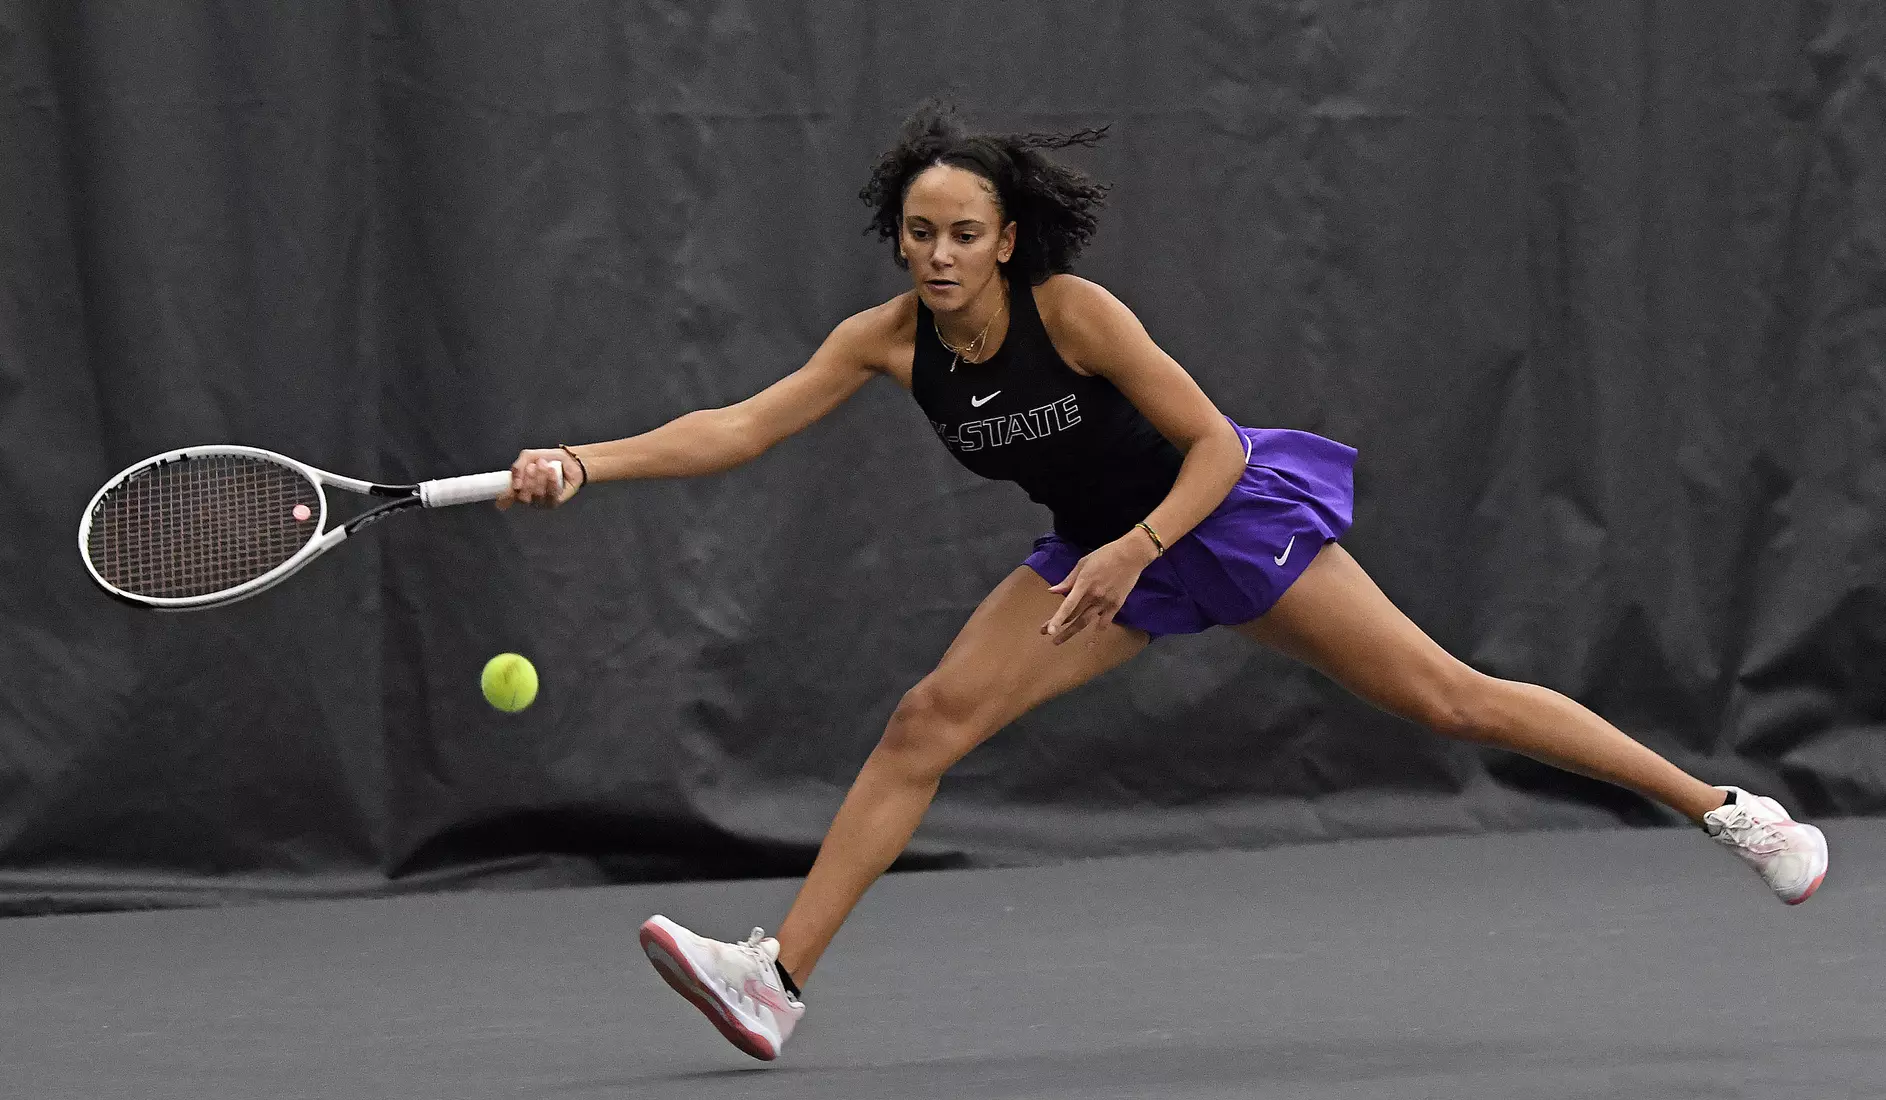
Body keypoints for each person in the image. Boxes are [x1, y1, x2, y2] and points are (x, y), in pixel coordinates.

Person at [499, 102, 1829, 1062]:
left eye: (963, 231)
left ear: (1007, 237)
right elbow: (734, 428)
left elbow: (1210, 444)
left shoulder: (1073, 313)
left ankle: (1725, 812)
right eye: (918, 233)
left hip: (1215, 519)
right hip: (1093, 557)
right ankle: (776, 977)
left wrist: (1135, 549)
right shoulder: (885, 343)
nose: (939, 253)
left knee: (1445, 698)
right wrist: (580, 461)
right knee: (926, 723)